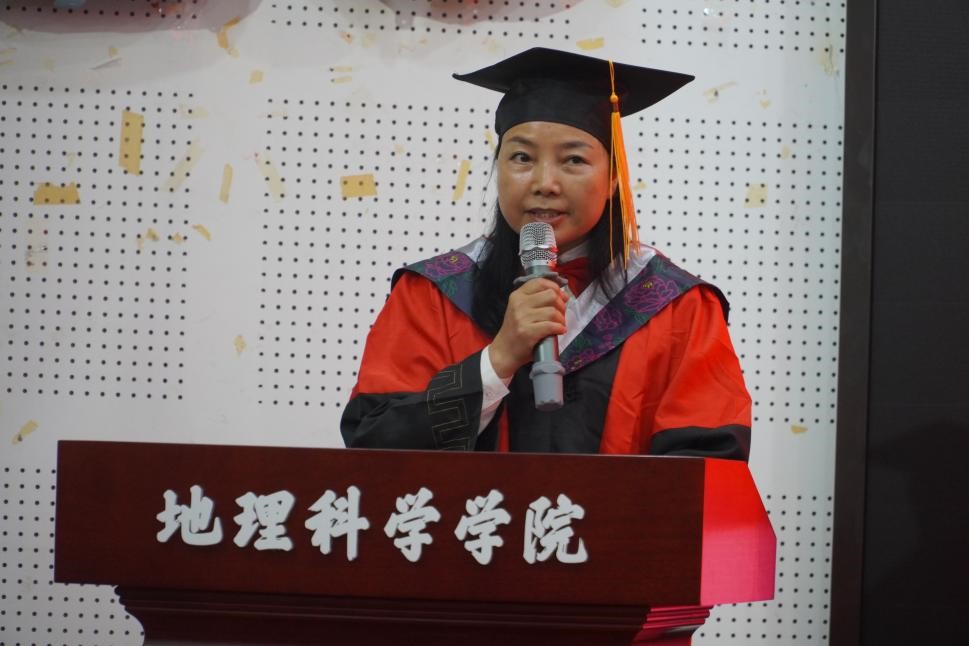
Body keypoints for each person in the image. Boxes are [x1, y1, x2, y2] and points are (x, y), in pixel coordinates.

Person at [341, 48, 751, 459]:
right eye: (522, 157)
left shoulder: (677, 306)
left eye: (573, 159)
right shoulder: (432, 295)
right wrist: (497, 360)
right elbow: (374, 447)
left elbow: (708, 468)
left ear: (613, 177)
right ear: (498, 166)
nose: (544, 183)